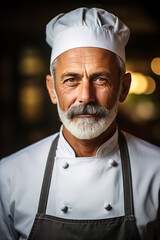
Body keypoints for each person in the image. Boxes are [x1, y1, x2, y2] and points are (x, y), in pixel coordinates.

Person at [0, 7, 160, 240]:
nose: (86, 96)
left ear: (123, 88)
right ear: (52, 90)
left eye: (100, 79)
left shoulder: (157, 172)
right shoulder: (9, 176)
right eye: (71, 80)